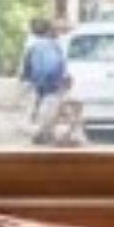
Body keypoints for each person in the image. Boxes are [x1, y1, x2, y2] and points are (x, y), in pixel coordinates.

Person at [20, 18, 84, 147]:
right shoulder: (54, 45)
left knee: (42, 111)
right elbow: (60, 66)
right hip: (52, 85)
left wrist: (28, 80)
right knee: (50, 110)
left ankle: (45, 134)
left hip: (42, 84)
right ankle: (48, 134)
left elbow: (28, 69)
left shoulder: (33, 45)